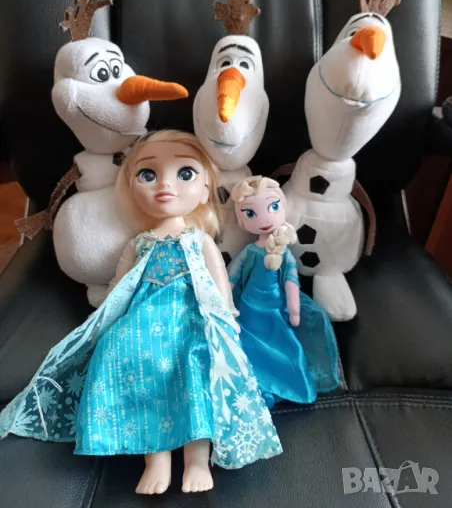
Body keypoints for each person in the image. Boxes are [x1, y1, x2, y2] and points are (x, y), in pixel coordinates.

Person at [0, 131, 282, 495]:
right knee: (125, 357)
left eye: (185, 174)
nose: (165, 185)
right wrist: (108, 321)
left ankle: (197, 460)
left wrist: (227, 314)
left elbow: (218, 282)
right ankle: (156, 460)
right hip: (143, 321)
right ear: (131, 188)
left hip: (192, 317)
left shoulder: (199, 240)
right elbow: (120, 287)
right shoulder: (139, 243)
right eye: (148, 175)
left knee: (195, 366)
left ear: (205, 188)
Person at [229, 175, 340, 409]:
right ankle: (257, 383)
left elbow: (291, 281)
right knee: (249, 345)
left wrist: (294, 310)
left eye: (273, 207)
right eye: (250, 213)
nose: (264, 219)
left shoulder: (284, 252)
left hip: (277, 308)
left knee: (284, 344)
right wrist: (225, 301)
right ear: (241, 219)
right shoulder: (249, 251)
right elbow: (232, 276)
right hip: (248, 306)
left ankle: (284, 384)